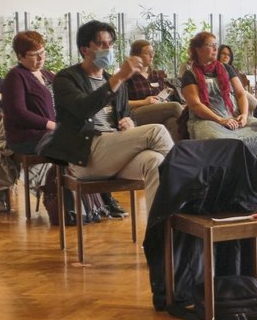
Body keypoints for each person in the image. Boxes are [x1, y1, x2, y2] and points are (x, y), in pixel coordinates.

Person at [48, 20, 175, 214]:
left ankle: (159, 233)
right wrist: (120, 77)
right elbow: (83, 108)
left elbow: (127, 114)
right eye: (101, 44)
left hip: (114, 153)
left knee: (155, 161)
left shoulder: (114, 82)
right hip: (86, 155)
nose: (108, 49)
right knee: (157, 130)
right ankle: (192, 184)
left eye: (111, 44)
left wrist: (131, 122)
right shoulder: (66, 78)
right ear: (84, 49)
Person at [181, 30, 257, 182]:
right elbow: (195, 105)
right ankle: (232, 183)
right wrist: (220, 120)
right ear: (198, 49)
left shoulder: (226, 69)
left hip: (234, 115)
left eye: (216, 45)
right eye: (211, 45)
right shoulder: (190, 75)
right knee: (220, 139)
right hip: (207, 120)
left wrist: (243, 114)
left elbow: (241, 94)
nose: (216, 49)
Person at [0, 30, 56, 212]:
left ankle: (90, 200)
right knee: (74, 147)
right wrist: (49, 125)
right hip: (27, 137)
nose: (40, 59)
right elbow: (17, 112)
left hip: (48, 133)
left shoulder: (48, 75)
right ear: (20, 56)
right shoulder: (15, 77)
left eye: (43, 53)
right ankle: (57, 195)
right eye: (34, 55)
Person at [125, 39, 184, 139]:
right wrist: (144, 102)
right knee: (175, 107)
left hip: (158, 109)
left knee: (172, 122)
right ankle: (193, 134)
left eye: (152, 52)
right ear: (136, 55)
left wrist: (165, 100)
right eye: (148, 53)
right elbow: (122, 103)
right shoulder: (127, 76)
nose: (152, 56)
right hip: (137, 112)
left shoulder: (156, 75)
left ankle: (176, 152)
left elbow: (163, 94)